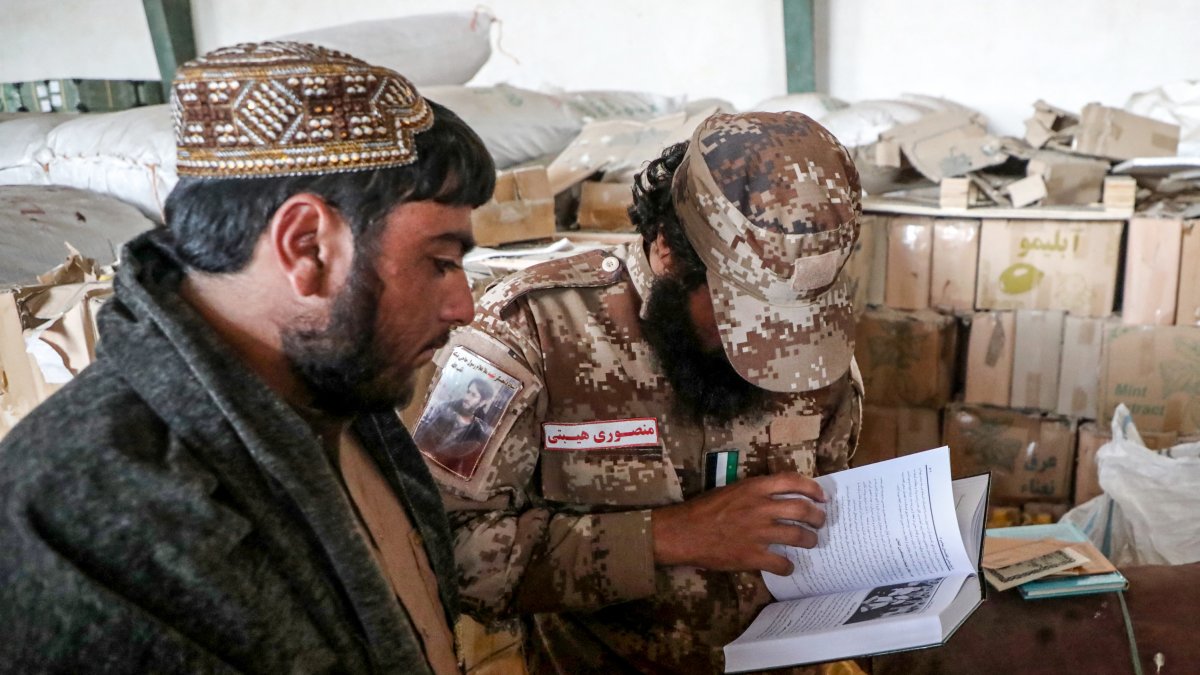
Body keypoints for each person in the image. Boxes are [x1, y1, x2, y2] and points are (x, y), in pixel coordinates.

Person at [0, 41, 495, 673]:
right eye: (441, 262)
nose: (464, 306)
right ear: (307, 246)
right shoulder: (85, 512)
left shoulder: (339, 383)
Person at [414, 111, 864, 673]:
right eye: (747, 318)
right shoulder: (529, 331)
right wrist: (665, 537)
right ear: (667, 253)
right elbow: (442, 550)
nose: (772, 346)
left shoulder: (814, 341)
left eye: (795, 319)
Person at [415, 376, 496, 473]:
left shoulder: (478, 432)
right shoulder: (443, 409)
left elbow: (461, 464)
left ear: (483, 402)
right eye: (468, 392)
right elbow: (420, 433)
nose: (466, 397)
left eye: (473, 395)